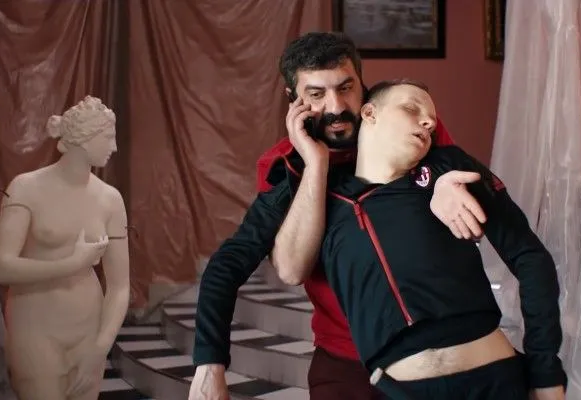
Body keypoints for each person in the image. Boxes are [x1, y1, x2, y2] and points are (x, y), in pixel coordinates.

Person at [189, 32, 486, 400]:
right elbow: (273, 267)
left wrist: (442, 181)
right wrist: (209, 364)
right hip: (348, 357)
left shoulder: (410, 124)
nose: (336, 107)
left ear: (363, 84)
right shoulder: (284, 166)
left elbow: (474, 202)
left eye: (346, 88)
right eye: (316, 94)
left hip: (439, 349)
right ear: (293, 100)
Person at [315, 79, 566, 399]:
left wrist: (546, 374)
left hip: (497, 383)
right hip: (403, 391)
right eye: (411, 108)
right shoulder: (327, 198)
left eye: (431, 121)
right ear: (369, 113)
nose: (428, 122)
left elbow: (530, 256)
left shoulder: (451, 168)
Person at [0, 96, 130, 400]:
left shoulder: (110, 199)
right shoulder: (25, 188)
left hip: (87, 328)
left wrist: (100, 348)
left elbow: (120, 287)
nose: (115, 147)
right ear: (85, 137)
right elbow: (2, 267)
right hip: (35, 328)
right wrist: (73, 263)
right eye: (108, 137)